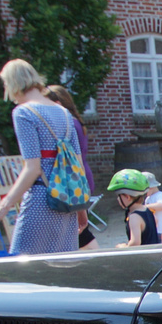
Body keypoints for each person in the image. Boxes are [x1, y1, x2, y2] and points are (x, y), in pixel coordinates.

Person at [0, 59, 85, 255]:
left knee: (23, 266)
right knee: (62, 266)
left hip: (41, 198)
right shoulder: (64, 113)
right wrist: (81, 210)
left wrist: (3, 206)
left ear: (13, 83)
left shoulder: (24, 113)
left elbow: (33, 168)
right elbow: (76, 165)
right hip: (67, 202)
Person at [42, 84, 97, 249]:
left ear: (58, 103)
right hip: (79, 177)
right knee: (77, 229)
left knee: (78, 230)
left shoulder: (68, 124)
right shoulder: (74, 122)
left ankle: (95, 257)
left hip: (72, 180)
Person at [107, 169, 162, 246]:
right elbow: (156, 222)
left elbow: (135, 242)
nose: (118, 199)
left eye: (119, 196)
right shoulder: (148, 210)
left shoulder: (134, 217)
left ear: (127, 197)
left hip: (143, 256)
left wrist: (123, 247)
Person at [142, 171, 162, 242]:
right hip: (154, 230)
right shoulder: (148, 198)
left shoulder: (159, 196)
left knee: (160, 248)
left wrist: (145, 207)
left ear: (151, 187)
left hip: (161, 230)